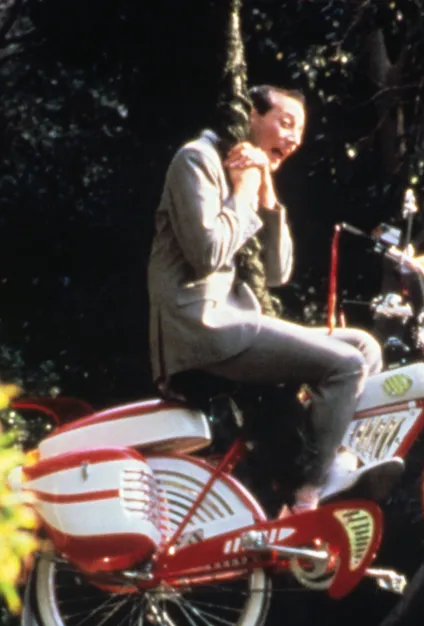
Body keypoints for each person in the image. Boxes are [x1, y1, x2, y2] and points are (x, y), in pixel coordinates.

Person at [146, 84, 401, 512]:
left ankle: (329, 460)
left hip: (236, 321)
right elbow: (207, 253)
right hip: (201, 327)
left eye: (299, 131)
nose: (293, 138)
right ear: (250, 116)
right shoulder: (197, 160)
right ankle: (308, 493)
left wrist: (266, 196)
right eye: (284, 123)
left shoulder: (251, 175)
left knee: (363, 346)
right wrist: (244, 190)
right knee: (347, 365)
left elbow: (278, 273)